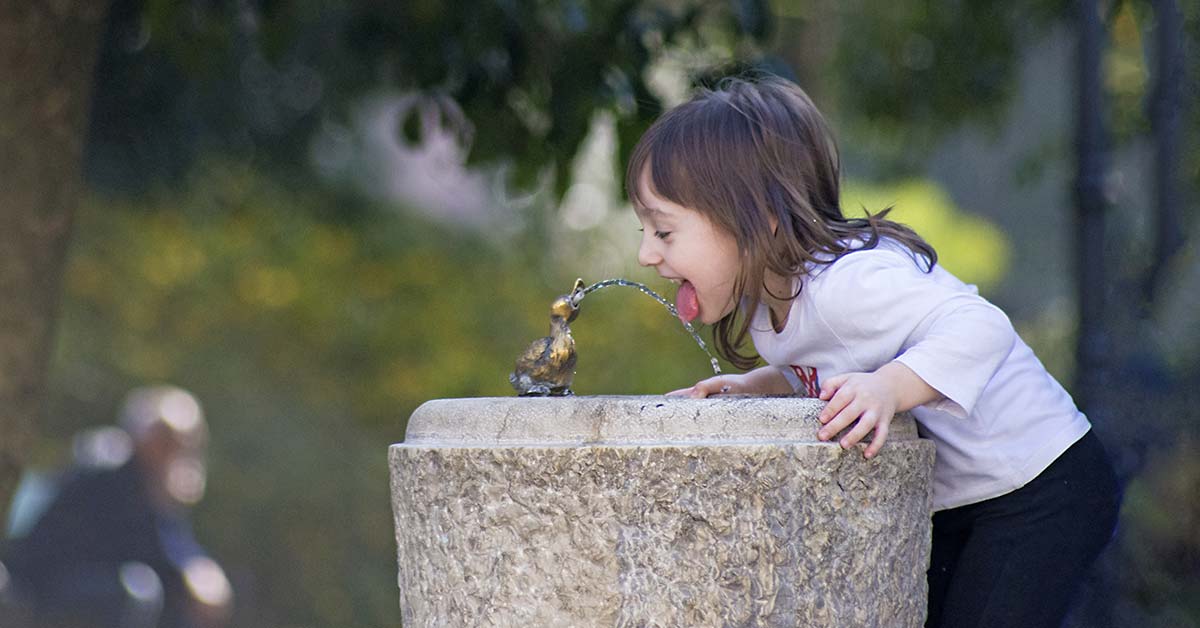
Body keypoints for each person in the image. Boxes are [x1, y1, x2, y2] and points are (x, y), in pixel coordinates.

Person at [628, 74, 1122, 627]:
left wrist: (888, 388)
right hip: (972, 498)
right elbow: (838, 359)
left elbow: (981, 327)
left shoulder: (849, 284)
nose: (646, 253)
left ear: (758, 218)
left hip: (1042, 483)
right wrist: (766, 382)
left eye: (664, 232)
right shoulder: (767, 305)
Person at [1, 385, 232, 628]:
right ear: (143, 433)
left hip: (89, 582)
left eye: (184, 443)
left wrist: (196, 569)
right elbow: (140, 544)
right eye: (166, 439)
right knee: (139, 591)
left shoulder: (154, 480)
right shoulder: (108, 468)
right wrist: (185, 575)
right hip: (43, 583)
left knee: (175, 599)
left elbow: (174, 544)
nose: (174, 450)